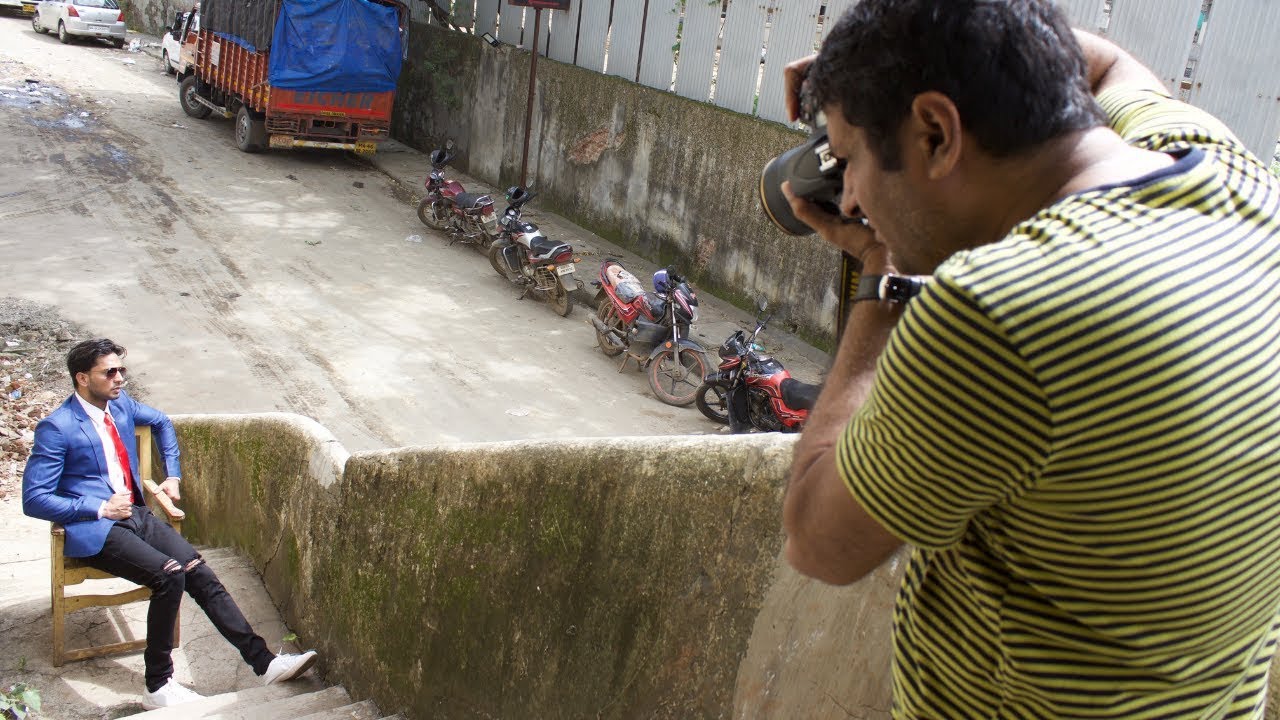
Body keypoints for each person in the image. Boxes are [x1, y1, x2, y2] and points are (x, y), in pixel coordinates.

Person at [780, 1, 1280, 717]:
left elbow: (817, 540)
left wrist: (882, 275)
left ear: (934, 132)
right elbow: (1103, 62)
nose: (850, 194)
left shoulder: (997, 315)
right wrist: (898, 53)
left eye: (851, 159)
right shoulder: (1236, 179)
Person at [22, 338, 320, 710]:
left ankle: (266, 663)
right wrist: (98, 507)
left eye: (122, 370)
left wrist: (172, 476)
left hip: (136, 514)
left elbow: (162, 421)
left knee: (198, 570)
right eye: (109, 372)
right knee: (168, 574)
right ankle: (158, 684)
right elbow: (34, 499)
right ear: (82, 378)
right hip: (94, 527)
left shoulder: (121, 406)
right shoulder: (57, 427)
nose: (120, 379)